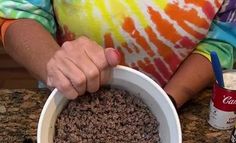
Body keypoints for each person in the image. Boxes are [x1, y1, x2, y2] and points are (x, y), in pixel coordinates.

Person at [0, 1, 235, 108]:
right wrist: (53, 63)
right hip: (68, 96)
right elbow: (19, 13)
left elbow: (222, 38)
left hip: (174, 101)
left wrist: (167, 103)